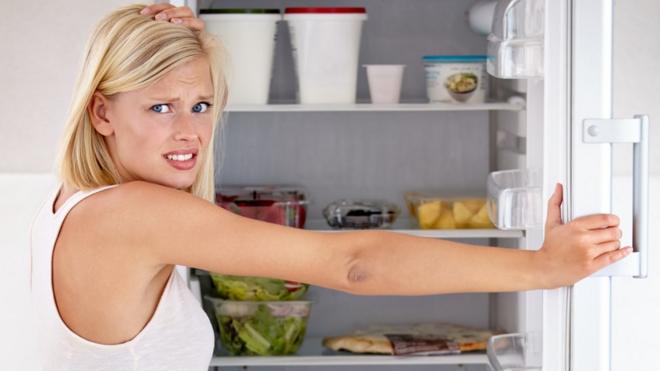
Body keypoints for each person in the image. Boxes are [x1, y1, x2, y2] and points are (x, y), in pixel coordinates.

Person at [30, 3, 630, 370]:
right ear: (102, 113)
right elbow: (354, 265)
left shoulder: (70, 205)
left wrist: (165, 50)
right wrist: (541, 269)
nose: (190, 131)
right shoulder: (135, 213)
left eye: (201, 102)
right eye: (159, 107)